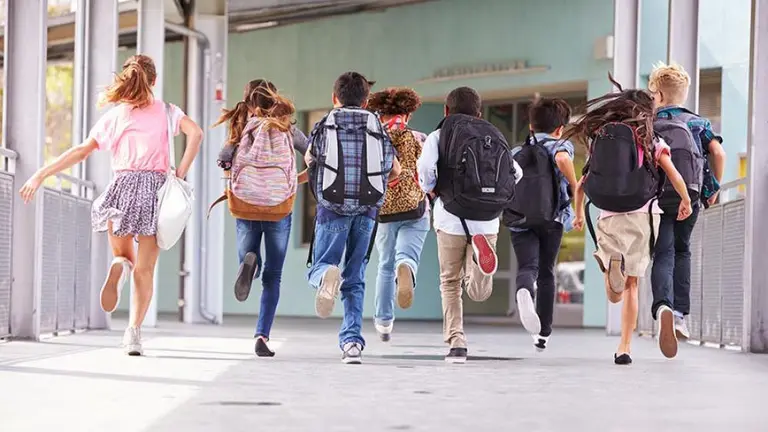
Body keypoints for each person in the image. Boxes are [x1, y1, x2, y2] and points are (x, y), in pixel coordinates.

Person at [19, 54, 203, 356]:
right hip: (154, 192)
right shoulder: (167, 111)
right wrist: (180, 172)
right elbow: (195, 133)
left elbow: (82, 151)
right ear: (154, 81)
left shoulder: (116, 116)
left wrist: (41, 173)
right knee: (145, 270)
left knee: (123, 256)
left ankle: (119, 266)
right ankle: (133, 333)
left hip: (121, 189)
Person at [570, 80, 692, 365]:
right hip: (642, 213)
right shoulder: (650, 139)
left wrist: (577, 214)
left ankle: (613, 268)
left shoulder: (602, 137)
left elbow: (580, 185)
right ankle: (626, 346)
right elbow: (673, 173)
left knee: (614, 289)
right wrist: (685, 199)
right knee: (633, 285)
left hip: (608, 214)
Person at [417, 86, 522, 363]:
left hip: (450, 216)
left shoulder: (439, 135)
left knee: (450, 282)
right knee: (479, 292)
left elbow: (426, 169)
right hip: (487, 221)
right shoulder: (493, 133)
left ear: (446, 111)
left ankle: (457, 341)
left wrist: (430, 188)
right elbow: (516, 172)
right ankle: (480, 268)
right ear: (479, 111)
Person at [304, 72, 400, 364]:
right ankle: (352, 344)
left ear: (335, 98)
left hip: (332, 207)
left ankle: (325, 277)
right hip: (367, 210)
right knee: (355, 275)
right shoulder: (376, 125)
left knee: (320, 265)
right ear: (366, 99)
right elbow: (393, 169)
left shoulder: (326, 123)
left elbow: (310, 159)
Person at [213, 79, 309, 357]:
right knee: (274, 276)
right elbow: (314, 153)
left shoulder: (241, 128)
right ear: (275, 100)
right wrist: (298, 178)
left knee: (248, 255)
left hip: (246, 204)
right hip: (279, 206)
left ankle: (249, 264)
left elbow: (223, 159)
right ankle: (262, 335)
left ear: (249, 103)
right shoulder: (287, 128)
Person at [648, 62, 726, 347]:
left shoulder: (649, 123)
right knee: (682, 251)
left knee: (662, 252)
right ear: (684, 93)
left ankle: (662, 306)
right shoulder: (698, 122)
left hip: (655, 197)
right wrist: (714, 186)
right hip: (690, 196)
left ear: (657, 93)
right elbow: (718, 152)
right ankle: (680, 314)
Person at [504, 98, 578, 351]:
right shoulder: (561, 144)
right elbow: (562, 160)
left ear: (532, 126)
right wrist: (575, 186)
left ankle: (524, 290)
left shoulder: (516, 152)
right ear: (560, 127)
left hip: (521, 218)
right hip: (552, 218)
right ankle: (543, 332)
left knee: (528, 267)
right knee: (547, 272)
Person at [366, 88, 430, 342]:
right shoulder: (418, 137)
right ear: (408, 113)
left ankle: (383, 322)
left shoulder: (375, 138)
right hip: (415, 208)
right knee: (407, 255)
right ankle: (407, 267)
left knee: (384, 265)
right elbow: (429, 174)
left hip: (383, 211)